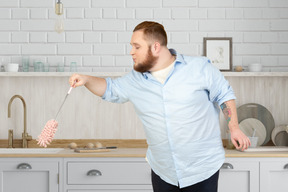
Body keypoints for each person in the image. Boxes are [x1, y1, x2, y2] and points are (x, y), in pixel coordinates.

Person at [69, 21, 251, 192]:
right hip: (164, 173)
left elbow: (224, 94)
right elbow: (109, 89)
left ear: (156, 47)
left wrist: (234, 128)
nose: (131, 52)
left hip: (202, 170)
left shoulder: (199, 68)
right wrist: (86, 80)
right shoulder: (135, 80)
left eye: (136, 46)